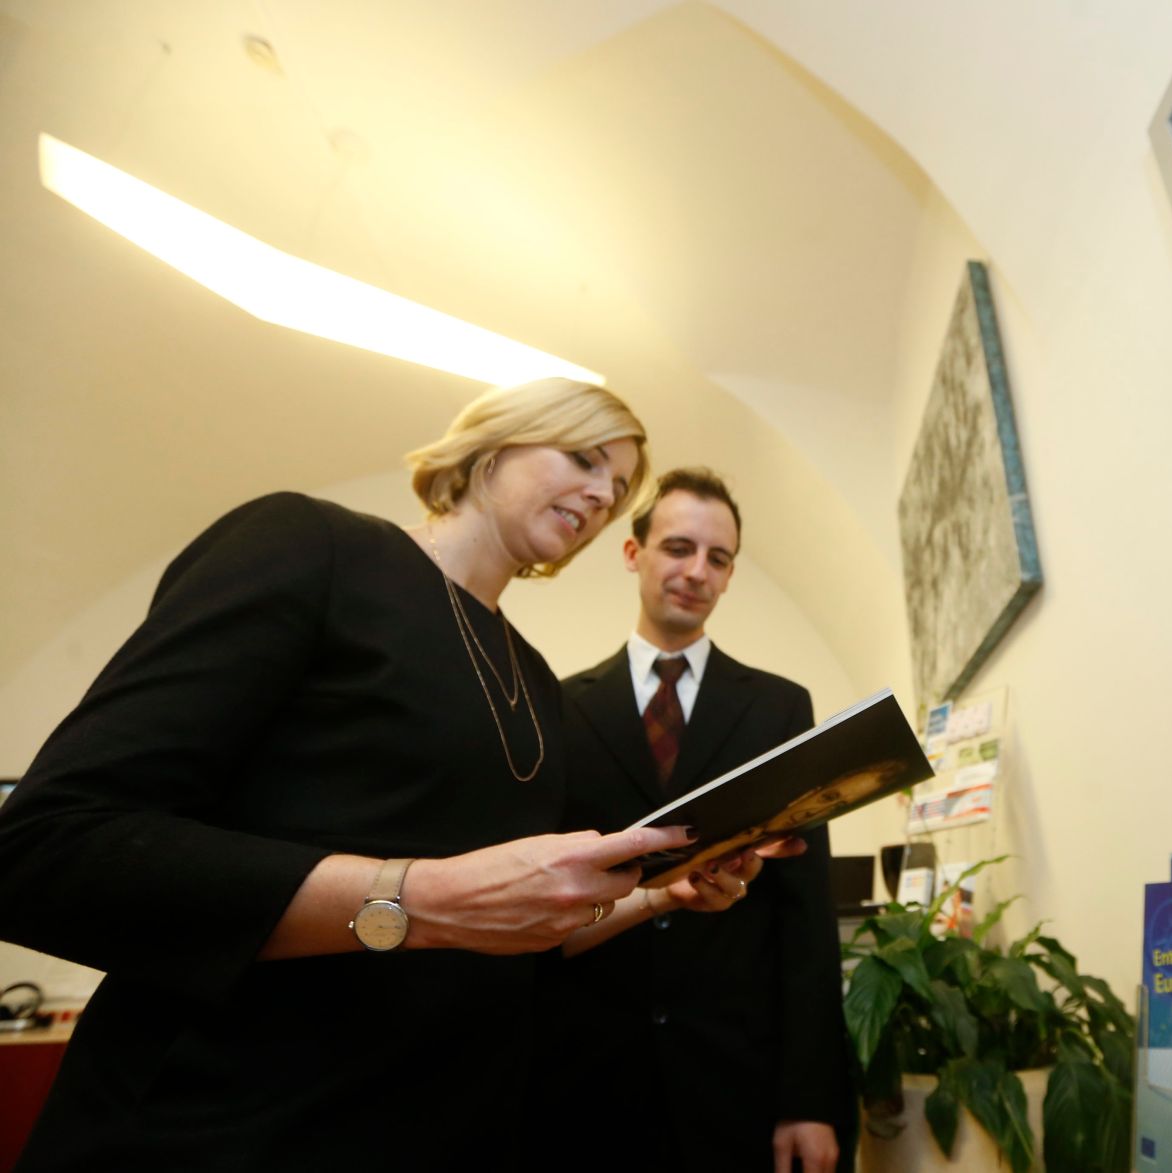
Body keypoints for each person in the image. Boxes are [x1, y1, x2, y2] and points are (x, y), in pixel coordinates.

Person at [0, 379, 791, 1171]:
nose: (600, 493)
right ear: (495, 443)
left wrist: (660, 890)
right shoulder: (311, 546)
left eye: (616, 488)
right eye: (584, 458)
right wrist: (419, 901)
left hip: (436, 1130)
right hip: (228, 1122)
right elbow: (48, 847)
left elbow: (514, 927)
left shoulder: (539, 683)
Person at [540, 468, 852, 1173]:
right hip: (587, 1080)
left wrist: (809, 1097)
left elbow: (805, 917)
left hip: (736, 1078)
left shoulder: (780, 709)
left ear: (731, 574)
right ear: (633, 553)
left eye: (718, 558)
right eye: (678, 547)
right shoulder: (558, 708)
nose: (696, 571)